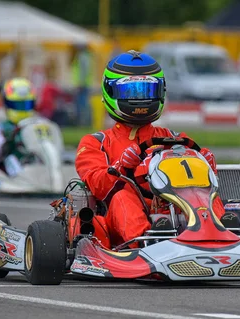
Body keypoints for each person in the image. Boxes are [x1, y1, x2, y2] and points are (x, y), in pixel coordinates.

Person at [75, 50, 222, 248]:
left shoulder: (176, 138)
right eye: (131, 91)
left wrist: (207, 166)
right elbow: (97, 186)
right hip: (120, 220)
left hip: (175, 207)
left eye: (147, 91)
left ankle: (223, 233)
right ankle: (149, 242)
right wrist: (120, 166)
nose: (140, 98)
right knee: (122, 196)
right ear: (111, 92)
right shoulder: (96, 142)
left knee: (204, 190)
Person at [0, 78, 37, 176]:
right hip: (12, 164)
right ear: (7, 104)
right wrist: (7, 143)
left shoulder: (37, 124)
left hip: (35, 161)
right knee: (10, 158)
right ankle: (20, 177)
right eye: (17, 105)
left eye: (26, 105)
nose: (22, 109)